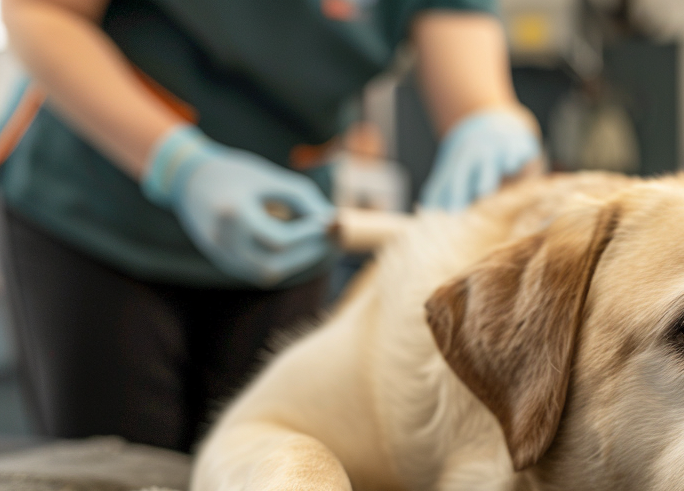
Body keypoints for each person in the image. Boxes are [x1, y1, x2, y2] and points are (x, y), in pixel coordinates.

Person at [0, 0, 541, 452]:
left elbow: (471, 75)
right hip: (99, 206)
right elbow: (40, 11)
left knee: (265, 455)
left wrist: (491, 122)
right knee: (115, 478)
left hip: (289, 233)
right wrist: (181, 166)